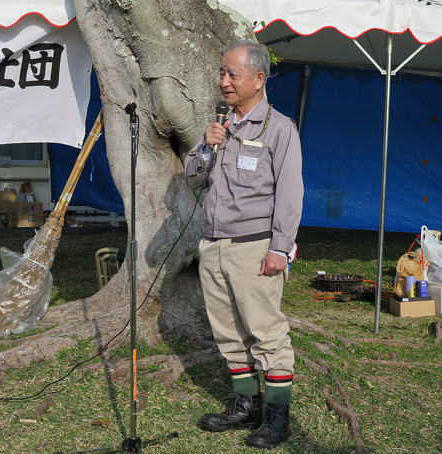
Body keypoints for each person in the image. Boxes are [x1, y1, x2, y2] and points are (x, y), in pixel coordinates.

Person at [184, 39, 303, 450]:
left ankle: (277, 416)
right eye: (221, 73)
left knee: (265, 333)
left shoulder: (279, 129)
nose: (224, 81)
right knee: (228, 332)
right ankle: (244, 405)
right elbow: (193, 179)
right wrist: (206, 146)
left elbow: (290, 195)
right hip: (213, 244)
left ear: (258, 78)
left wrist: (279, 247)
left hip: (255, 246)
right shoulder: (221, 126)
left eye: (232, 74)